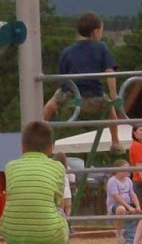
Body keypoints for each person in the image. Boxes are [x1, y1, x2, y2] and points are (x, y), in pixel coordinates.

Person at [41, 12, 123, 152]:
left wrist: (64, 92)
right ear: (95, 32)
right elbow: (110, 72)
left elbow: (62, 77)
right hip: (94, 96)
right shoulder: (101, 47)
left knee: (50, 105)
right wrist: (114, 96)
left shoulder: (67, 51)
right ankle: (115, 142)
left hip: (71, 94)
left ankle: (38, 132)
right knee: (110, 110)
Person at [0, 120, 70, 244]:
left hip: (11, 233)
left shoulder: (10, 166)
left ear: (22, 147)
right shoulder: (58, 167)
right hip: (49, 233)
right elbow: (58, 200)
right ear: (51, 148)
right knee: (60, 211)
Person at [106, 166, 142, 244]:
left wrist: (137, 206)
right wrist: (129, 207)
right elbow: (116, 197)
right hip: (115, 205)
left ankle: (131, 236)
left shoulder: (128, 180)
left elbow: (132, 194)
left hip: (128, 203)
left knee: (140, 211)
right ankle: (119, 232)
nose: (127, 170)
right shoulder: (112, 181)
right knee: (121, 209)